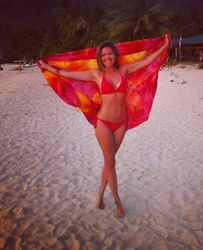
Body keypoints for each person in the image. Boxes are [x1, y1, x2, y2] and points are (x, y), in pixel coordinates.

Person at [39, 35, 170, 218]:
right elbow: (65, 74)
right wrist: (46, 66)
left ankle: (100, 196)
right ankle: (118, 202)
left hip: (120, 124)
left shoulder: (124, 70)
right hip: (104, 123)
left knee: (109, 162)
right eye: (104, 55)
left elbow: (147, 60)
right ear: (100, 58)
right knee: (111, 162)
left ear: (115, 55)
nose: (107, 57)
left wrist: (163, 47)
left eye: (110, 54)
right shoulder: (96, 74)